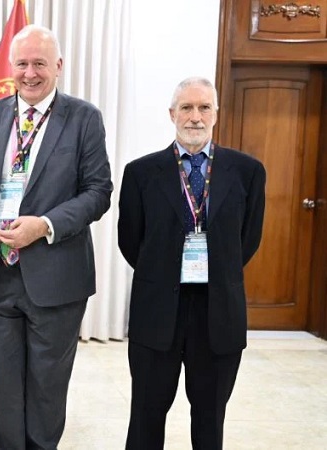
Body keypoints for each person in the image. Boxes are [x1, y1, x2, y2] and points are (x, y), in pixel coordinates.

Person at [0, 25, 113, 449]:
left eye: (40, 64)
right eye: (22, 64)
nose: (30, 73)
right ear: (12, 67)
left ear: (58, 66)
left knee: (47, 389)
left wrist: (44, 225)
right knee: (4, 388)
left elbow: (98, 192)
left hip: (57, 280)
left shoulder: (84, 118)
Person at [118, 77, 266, 449]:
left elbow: (247, 240)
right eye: (186, 107)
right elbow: (131, 241)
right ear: (172, 114)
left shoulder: (247, 172)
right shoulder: (140, 173)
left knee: (210, 419)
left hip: (219, 314)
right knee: (146, 416)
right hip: (157, 311)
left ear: (216, 113)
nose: (195, 117)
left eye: (203, 108)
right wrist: (165, 271)